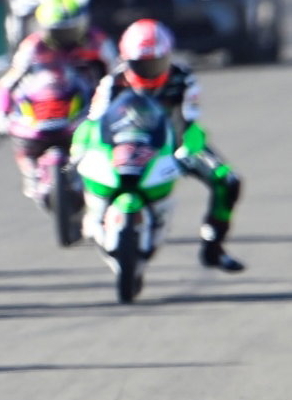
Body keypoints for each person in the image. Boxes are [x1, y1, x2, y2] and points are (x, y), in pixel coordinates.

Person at [87, 19, 244, 271]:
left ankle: (214, 247)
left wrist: (186, 150)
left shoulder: (183, 79)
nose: (149, 71)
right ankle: (90, 217)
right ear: (126, 60)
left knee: (228, 181)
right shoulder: (111, 83)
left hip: (174, 145)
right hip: (125, 146)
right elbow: (93, 123)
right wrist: (83, 152)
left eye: (156, 63)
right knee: (76, 166)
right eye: (141, 65)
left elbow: (191, 123)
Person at [0, 0, 117, 132]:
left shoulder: (98, 40)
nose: (66, 37)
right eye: (60, 32)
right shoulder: (33, 46)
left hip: (90, 110)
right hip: (48, 109)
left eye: (71, 30)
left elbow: (117, 73)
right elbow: (7, 83)